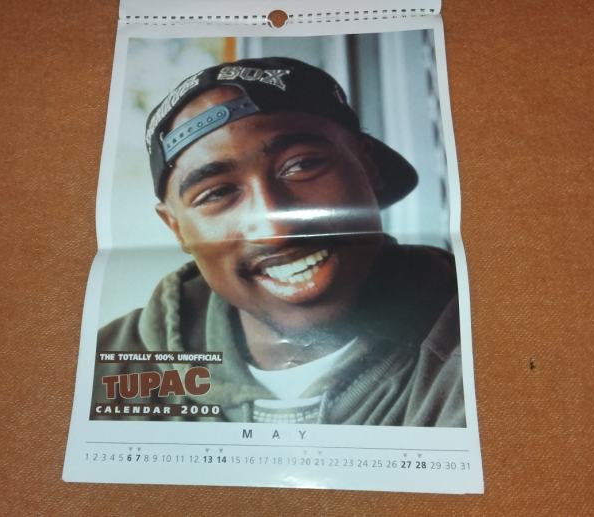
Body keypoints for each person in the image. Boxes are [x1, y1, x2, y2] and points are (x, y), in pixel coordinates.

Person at [90, 57, 464, 426]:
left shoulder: (471, 344)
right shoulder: (106, 368)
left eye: (301, 165)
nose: (276, 228)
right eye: (216, 193)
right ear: (176, 228)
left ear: (368, 167)